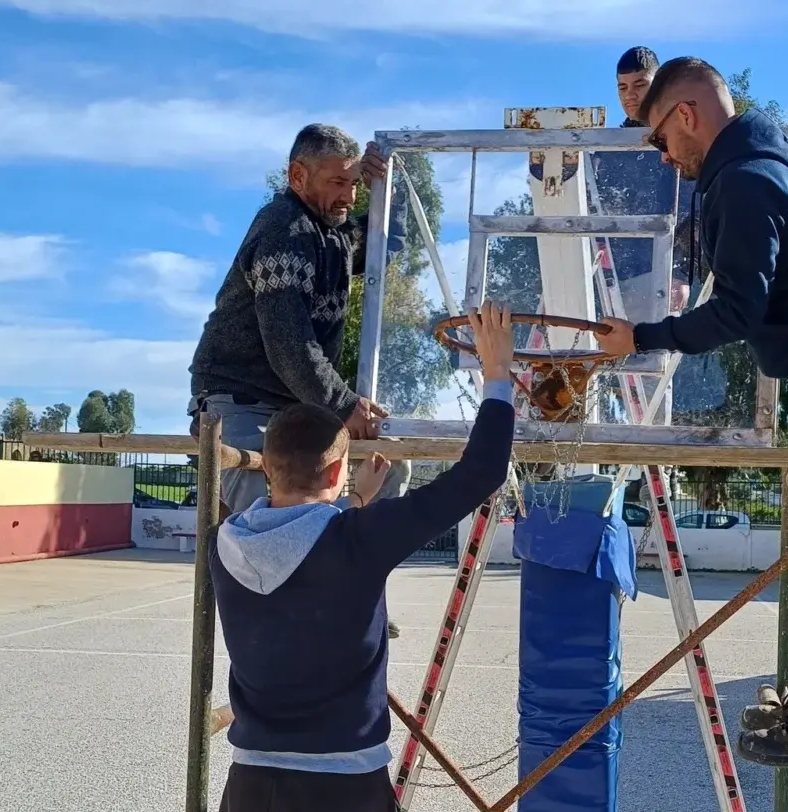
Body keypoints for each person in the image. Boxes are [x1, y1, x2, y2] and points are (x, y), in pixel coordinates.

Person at [596, 57, 788, 772]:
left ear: (687, 114)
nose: (664, 159)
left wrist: (640, 339)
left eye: (659, 140)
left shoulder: (743, 180)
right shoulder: (749, 170)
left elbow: (738, 311)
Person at [211, 300, 516, 812]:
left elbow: (300, 542)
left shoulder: (226, 544)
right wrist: (497, 373)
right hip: (344, 784)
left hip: (250, 784)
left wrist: (355, 503)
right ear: (336, 474)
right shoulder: (359, 539)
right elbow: (480, 474)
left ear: (267, 470)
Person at [190, 122, 412, 633]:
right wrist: (344, 404)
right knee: (270, 501)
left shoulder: (331, 235)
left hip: (295, 402)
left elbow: (387, 243)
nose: (348, 195)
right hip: (240, 398)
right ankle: (285, 619)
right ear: (297, 175)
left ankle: (352, 588)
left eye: (354, 183)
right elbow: (289, 343)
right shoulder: (282, 230)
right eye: (338, 182)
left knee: (390, 467)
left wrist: (387, 191)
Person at [591, 46, 694, 428]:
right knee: (595, 370)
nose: (630, 94)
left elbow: (689, 212)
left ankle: (655, 453)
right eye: (622, 87)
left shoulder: (674, 139)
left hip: (657, 273)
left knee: (651, 373)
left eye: (639, 84)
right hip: (607, 276)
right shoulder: (606, 148)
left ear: (657, 84)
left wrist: (682, 272)